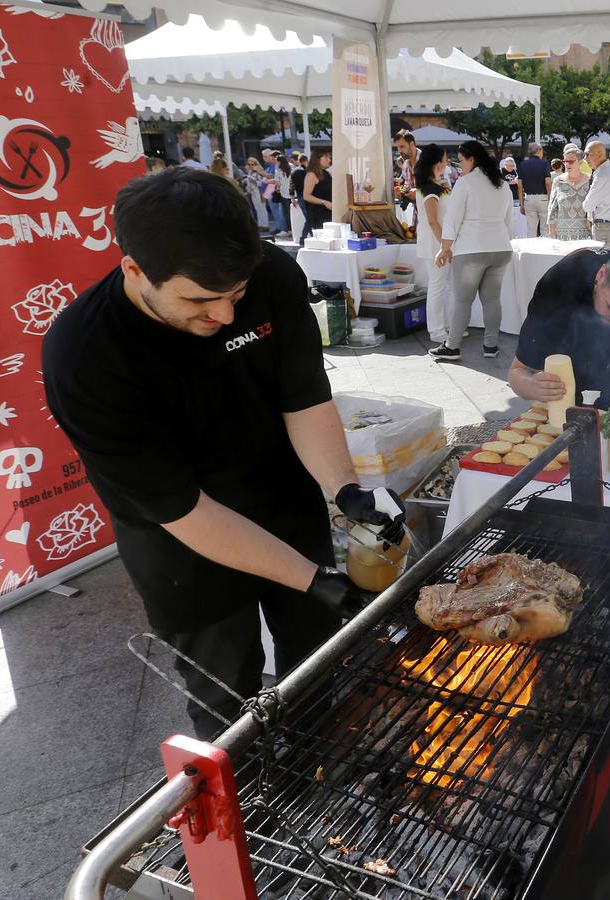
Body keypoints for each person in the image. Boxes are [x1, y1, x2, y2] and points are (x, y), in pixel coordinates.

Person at [42, 168, 401, 738]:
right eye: (201, 300)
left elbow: (303, 400)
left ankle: (311, 773)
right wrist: (313, 578)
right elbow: (185, 510)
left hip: (284, 503)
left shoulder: (272, 275)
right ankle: (249, 801)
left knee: (315, 664)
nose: (226, 315)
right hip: (183, 545)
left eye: (236, 295)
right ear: (135, 269)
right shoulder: (85, 354)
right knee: (225, 696)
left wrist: (346, 490)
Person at [508, 247, 610, 409]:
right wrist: (533, 386)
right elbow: (516, 373)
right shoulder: (558, 287)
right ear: (601, 275)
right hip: (570, 394)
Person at [432, 141, 514, 361]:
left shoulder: (465, 183)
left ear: (472, 159)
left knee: (462, 300)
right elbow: (508, 221)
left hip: (471, 249)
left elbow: (452, 220)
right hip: (501, 247)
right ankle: (491, 346)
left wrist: (444, 249)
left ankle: (452, 346)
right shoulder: (502, 184)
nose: (460, 166)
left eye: (461, 161)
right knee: (492, 299)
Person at [414, 144, 454, 351]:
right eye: (445, 159)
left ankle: (445, 327)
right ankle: (437, 330)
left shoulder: (433, 186)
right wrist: (444, 247)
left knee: (442, 286)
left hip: (438, 243)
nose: (447, 162)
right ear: (437, 162)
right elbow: (432, 221)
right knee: (438, 287)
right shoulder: (430, 190)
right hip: (435, 244)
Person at [547, 145, 594, 241]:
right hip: (563, 235)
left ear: (580, 162)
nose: (567, 164)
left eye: (571, 161)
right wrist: (551, 230)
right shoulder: (558, 181)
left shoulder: (591, 180)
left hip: (585, 234)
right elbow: (552, 207)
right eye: (565, 161)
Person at [584, 140, 610, 247]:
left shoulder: (603, 174)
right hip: (607, 225)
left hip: (604, 227)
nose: (585, 158)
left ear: (600, 154)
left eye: (588, 154)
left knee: (601, 262)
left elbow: (587, 206)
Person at [518, 142, 551, 237]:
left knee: (531, 229)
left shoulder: (523, 164)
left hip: (528, 198)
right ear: (538, 150)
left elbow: (520, 185)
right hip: (543, 198)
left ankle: (530, 250)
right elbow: (548, 183)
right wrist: (550, 198)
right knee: (545, 228)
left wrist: (521, 203)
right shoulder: (544, 163)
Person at [299, 149, 333, 239]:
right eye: (326, 157)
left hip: (329, 212)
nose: (329, 160)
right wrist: (324, 202)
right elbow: (306, 196)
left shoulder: (327, 173)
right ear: (317, 159)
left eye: (329, 157)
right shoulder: (311, 174)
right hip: (318, 213)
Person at [392, 129, 419, 212]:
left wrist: (418, 193)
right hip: (417, 216)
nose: (399, 150)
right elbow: (408, 188)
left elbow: (441, 189)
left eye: (402, 146)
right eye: (397, 147)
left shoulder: (426, 161)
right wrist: (400, 191)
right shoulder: (406, 165)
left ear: (411, 144)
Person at [240, 157, 270, 228]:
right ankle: (260, 225)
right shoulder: (249, 173)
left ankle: (265, 225)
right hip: (253, 193)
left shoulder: (259, 172)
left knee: (262, 209)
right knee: (257, 209)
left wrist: (253, 179)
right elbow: (249, 185)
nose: (250, 166)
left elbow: (262, 183)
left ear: (256, 164)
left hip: (259, 192)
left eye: (252, 164)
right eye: (249, 164)